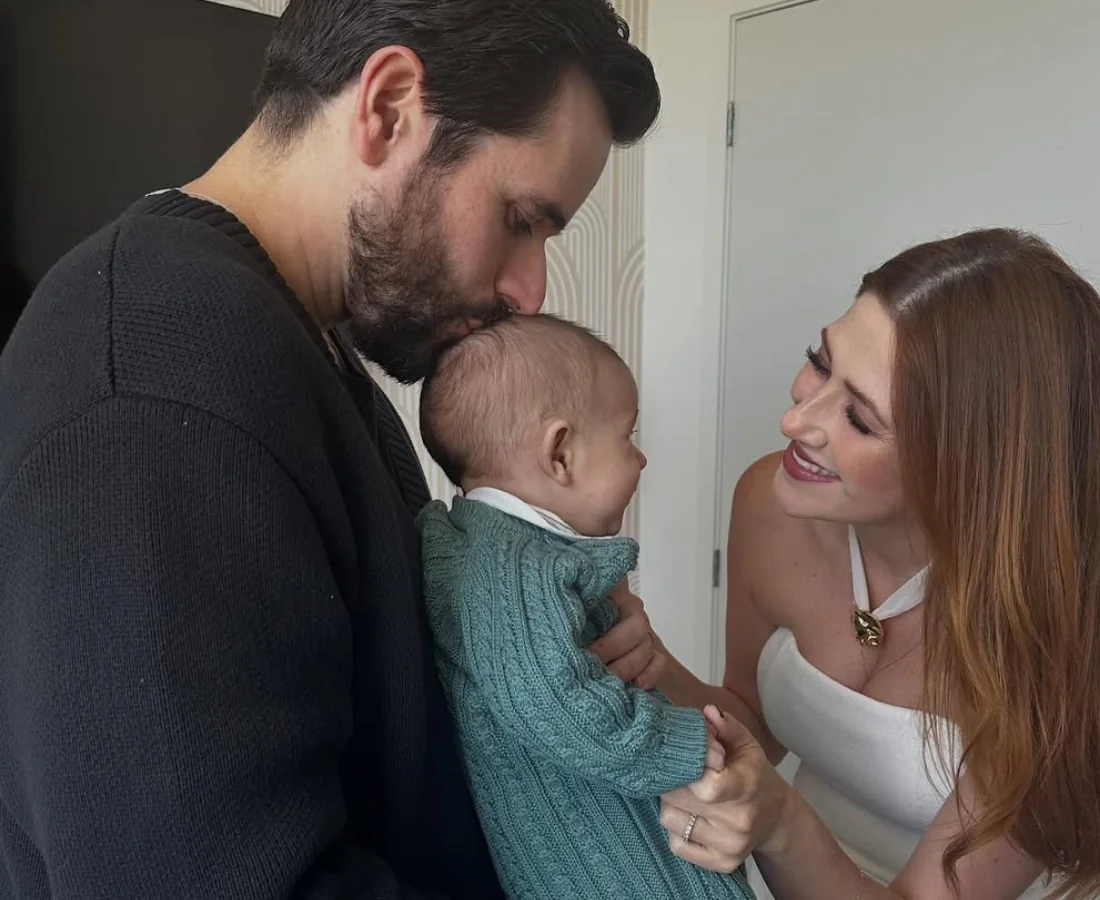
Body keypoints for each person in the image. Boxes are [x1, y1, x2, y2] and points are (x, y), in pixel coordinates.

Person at [0, 2, 664, 898]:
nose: (529, 289)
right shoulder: (159, 378)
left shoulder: (299, 344)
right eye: (519, 217)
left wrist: (545, 637)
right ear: (387, 107)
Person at [651, 229, 1100, 900]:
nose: (797, 421)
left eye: (860, 419)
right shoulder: (774, 503)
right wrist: (652, 662)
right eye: (820, 362)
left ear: (971, 468)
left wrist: (780, 823)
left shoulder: (1093, 661)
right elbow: (753, 726)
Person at [416, 313, 755, 900]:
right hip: (603, 866)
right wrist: (683, 743)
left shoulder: (499, 551)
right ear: (561, 455)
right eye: (628, 437)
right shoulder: (512, 567)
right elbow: (555, 704)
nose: (641, 460)